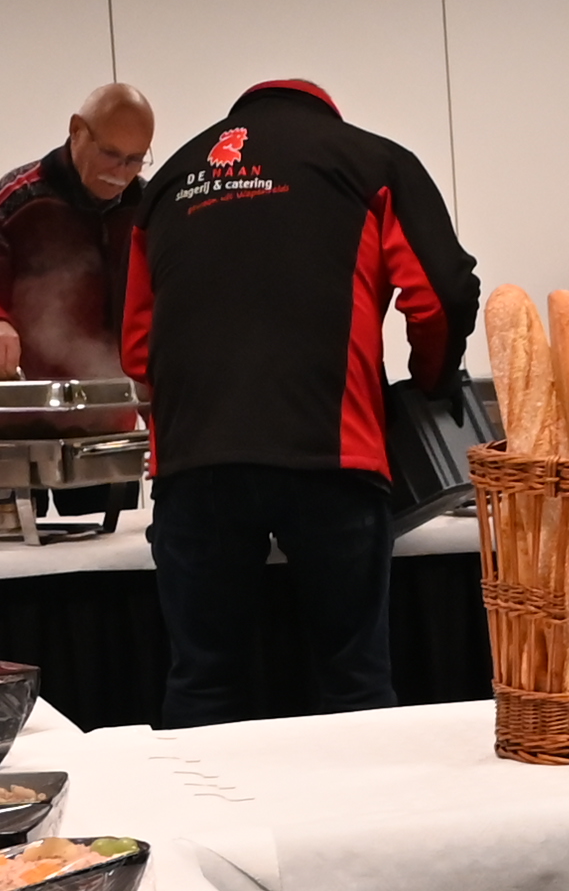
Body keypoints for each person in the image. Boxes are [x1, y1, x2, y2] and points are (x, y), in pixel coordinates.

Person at [124, 80, 478, 727]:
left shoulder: (169, 181)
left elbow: (138, 348)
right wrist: (432, 378)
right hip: (330, 453)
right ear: (326, 112)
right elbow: (441, 293)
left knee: (203, 683)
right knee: (353, 683)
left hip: (195, 459)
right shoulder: (371, 159)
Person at [0, 82, 154, 383]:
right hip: (18, 400)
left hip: (114, 400)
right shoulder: (23, 196)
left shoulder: (148, 208)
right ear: (76, 130)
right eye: (109, 154)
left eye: (134, 160)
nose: (120, 172)